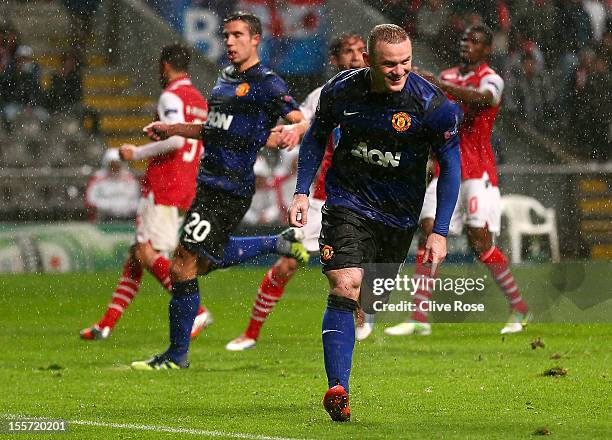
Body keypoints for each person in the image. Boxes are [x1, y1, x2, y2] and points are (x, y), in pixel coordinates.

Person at [289, 24, 462, 421]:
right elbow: (316, 136)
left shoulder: (433, 105)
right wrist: (302, 190)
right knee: (345, 286)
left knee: (371, 300)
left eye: (406, 63)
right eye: (389, 65)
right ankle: (338, 389)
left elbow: (452, 166)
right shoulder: (341, 91)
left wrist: (439, 231)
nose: (399, 71)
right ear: (368, 61)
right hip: (348, 202)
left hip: (398, 219)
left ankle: (361, 315)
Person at [130, 11, 310, 370]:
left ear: (255, 39)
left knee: (183, 266)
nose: (229, 42)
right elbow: (213, 129)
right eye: (226, 36)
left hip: (229, 186)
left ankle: (176, 356)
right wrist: (173, 129)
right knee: (199, 264)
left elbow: (300, 118)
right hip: (209, 181)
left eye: (237, 35)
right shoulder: (224, 80)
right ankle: (278, 242)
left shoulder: (267, 82)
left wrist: (296, 131)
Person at [225, 33, 370, 352]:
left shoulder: (384, 91)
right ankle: (251, 332)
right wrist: (285, 132)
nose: (356, 56)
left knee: (356, 265)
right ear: (335, 59)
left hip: (366, 195)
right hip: (324, 196)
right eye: (348, 51)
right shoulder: (325, 94)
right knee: (290, 258)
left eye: (362, 51)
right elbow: (304, 124)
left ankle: (360, 316)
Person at [384, 24, 531, 337]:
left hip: (477, 172)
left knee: (480, 243)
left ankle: (519, 307)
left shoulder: (491, 78)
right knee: (427, 233)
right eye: (465, 40)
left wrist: (437, 85)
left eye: (475, 41)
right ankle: (419, 318)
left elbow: (484, 100)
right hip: (445, 170)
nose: (467, 44)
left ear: (487, 49)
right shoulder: (448, 76)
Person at [80, 44, 213, 340]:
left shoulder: (170, 96)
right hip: (185, 183)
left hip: (165, 183)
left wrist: (136, 151)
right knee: (137, 254)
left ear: (164, 66)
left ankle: (197, 311)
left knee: (147, 251)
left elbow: (176, 140)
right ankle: (106, 325)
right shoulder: (200, 102)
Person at [85, 148, 139, 221]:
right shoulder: (97, 177)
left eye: (117, 164)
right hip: (103, 219)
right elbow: (91, 200)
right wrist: (109, 206)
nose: (115, 167)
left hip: (126, 219)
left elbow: (136, 200)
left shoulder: (130, 178)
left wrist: (124, 208)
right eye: (112, 164)